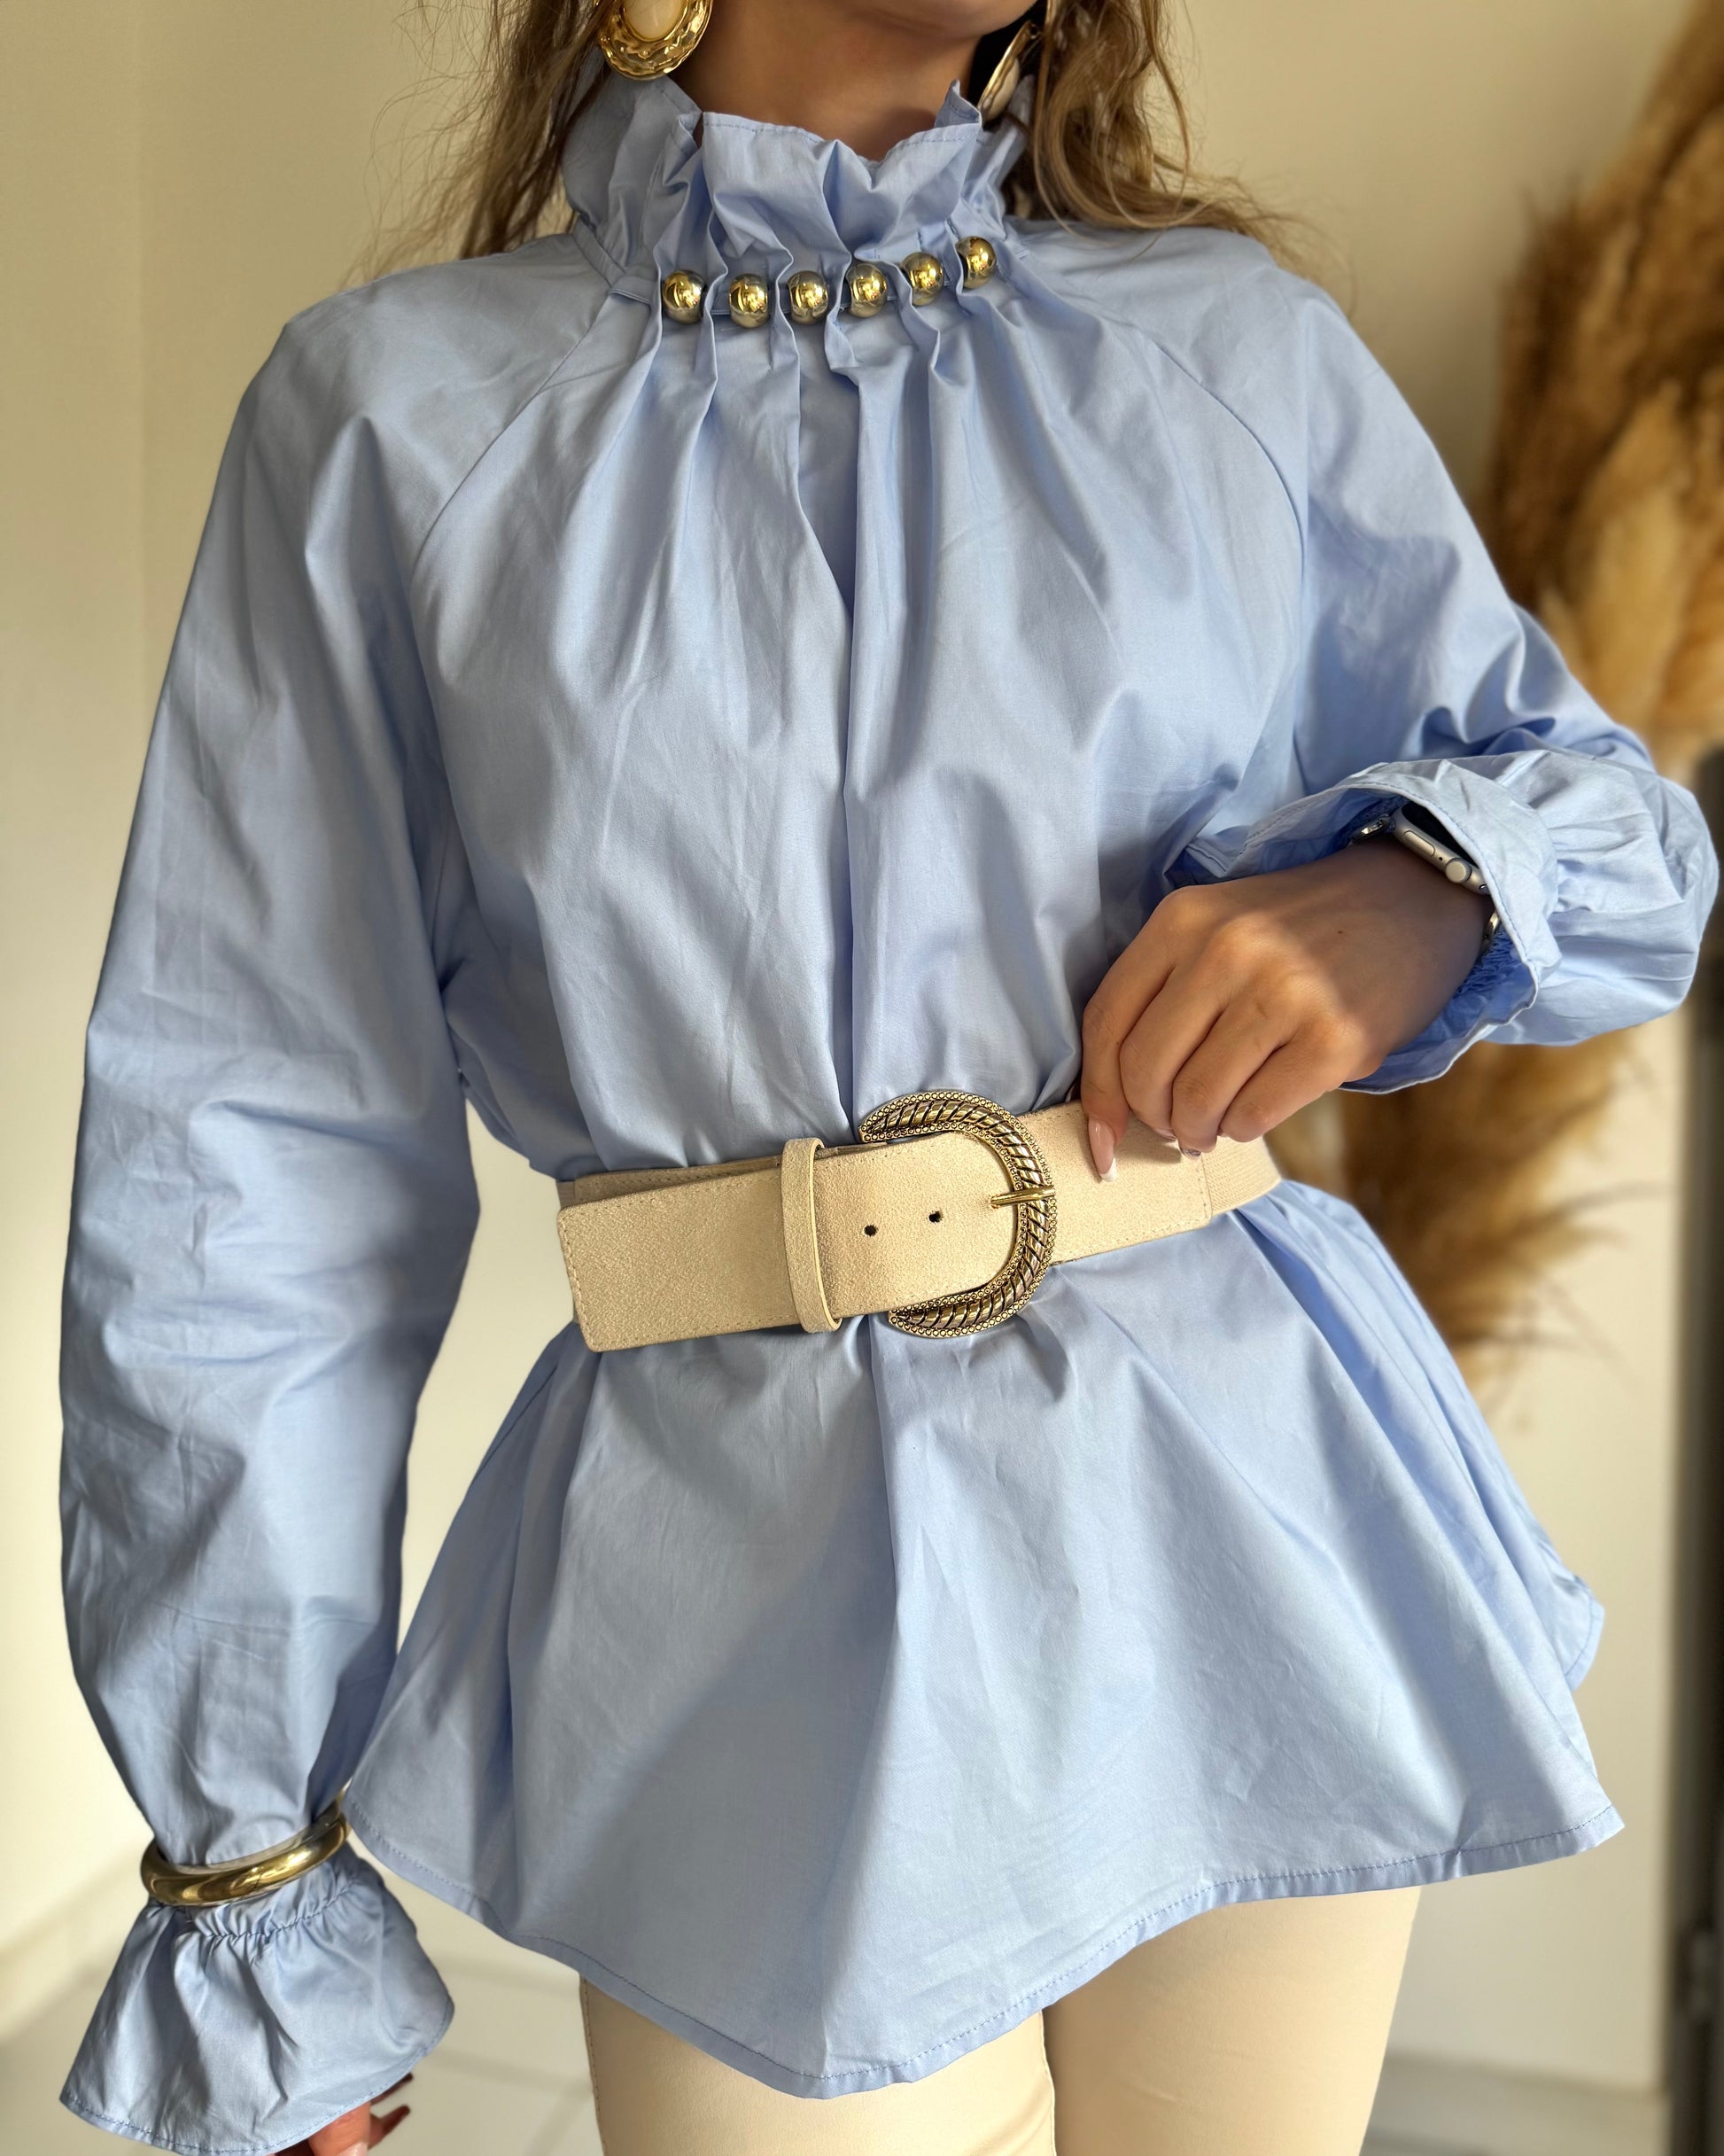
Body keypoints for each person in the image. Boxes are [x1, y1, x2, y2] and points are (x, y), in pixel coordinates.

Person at [57, 2, 1715, 2152]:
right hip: (735, 1591)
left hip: (1239, 1514)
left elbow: (1622, 825)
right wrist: (253, 1854)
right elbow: (248, 1150)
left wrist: (1419, 883)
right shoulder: (392, 422)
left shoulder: (1228, 348)